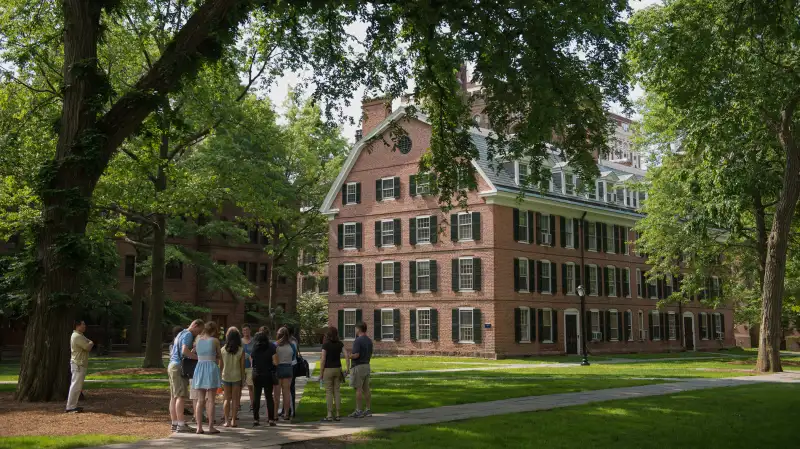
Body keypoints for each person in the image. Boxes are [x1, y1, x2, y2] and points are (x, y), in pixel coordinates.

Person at [168, 319, 203, 432]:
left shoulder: (181, 333)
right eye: (199, 331)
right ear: (195, 325)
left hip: (171, 365)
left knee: (174, 396)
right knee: (180, 396)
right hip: (178, 366)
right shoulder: (188, 334)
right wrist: (197, 357)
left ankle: (175, 423)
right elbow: (184, 351)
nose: (198, 333)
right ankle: (181, 425)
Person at [192, 321, 222, 434]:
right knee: (211, 400)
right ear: (214, 330)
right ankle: (210, 426)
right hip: (211, 368)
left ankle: (199, 427)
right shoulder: (215, 341)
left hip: (200, 368)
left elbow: (195, 351)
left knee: (200, 400)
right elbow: (219, 354)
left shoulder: (198, 339)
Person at [319, 326, 348, 422]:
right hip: (337, 369)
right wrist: (347, 368)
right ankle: (338, 414)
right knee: (337, 391)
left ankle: (329, 415)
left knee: (329, 392)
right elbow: (346, 355)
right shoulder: (340, 344)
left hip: (328, 370)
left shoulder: (325, 345)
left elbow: (323, 359)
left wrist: (321, 373)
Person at [66, 319, 93, 413]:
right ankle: (70, 407)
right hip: (78, 364)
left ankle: (73, 405)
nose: (85, 326)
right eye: (83, 324)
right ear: (78, 325)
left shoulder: (80, 335)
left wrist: (89, 342)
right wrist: (91, 343)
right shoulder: (77, 336)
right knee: (75, 385)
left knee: (78, 386)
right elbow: (87, 346)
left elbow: (87, 343)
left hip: (80, 363)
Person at [250, 330, 277, 427]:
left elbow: (252, 361)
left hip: (257, 374)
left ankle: (256, 419)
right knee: (269, 397)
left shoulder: (254, 348)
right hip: (268, 374)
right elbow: (275, 362)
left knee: (256, 397)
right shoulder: (271, 347)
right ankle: (271, 419)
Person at [347, 321, 373, 418]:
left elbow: (356, 355)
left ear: (359, 329)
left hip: (358, 366)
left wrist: (349, 356)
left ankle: (358, 410)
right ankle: (368, 409)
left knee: (358, 389)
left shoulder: (358, 340)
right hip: (367, 365)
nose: (355, 330)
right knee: (366, 389)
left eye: (355, 328)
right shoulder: (369, 340)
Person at [220, 326, 245, 427]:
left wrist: (219, 376)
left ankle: (226, 421)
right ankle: (234, 420)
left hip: (225, 376)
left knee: (226, 398)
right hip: (237, 376)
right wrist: (243, 378)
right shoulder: (241, 350)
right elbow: (242, 366)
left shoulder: (222, 350)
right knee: (235, 399)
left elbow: (220, 365)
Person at [273, 327, 296, 422]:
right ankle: (286, 414)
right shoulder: (292, 345)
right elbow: (294, 356)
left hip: (277, 369)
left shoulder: (275, 345)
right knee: (286, 393)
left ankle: (275, 415)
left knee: (276, 394)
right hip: (288, 368)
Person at [241, 324, 255, 411]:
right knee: (239, 386)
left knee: (250, 386)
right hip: (240, 366)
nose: (245, 332)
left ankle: (252, 403)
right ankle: (237, 404)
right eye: (244, 330)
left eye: (247, 330)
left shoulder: (254, 341)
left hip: (250, 367)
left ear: (250, 330)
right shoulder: (240, 341)